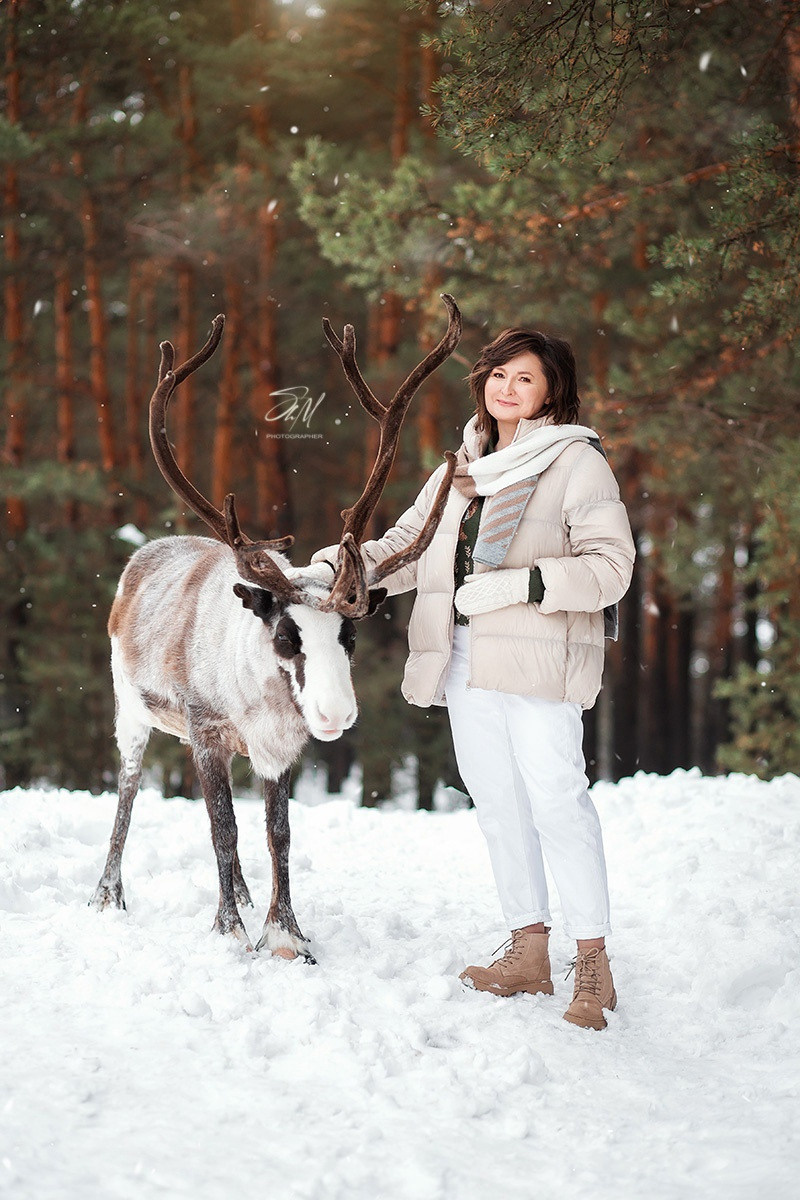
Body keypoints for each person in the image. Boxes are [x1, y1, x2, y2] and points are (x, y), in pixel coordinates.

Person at [306, 327, 635, 1031]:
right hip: (462, 655)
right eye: (498, 375)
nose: (506, 388)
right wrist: (338, 570)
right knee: (498, 801)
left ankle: (594, 965)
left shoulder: (577, 463)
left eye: (525, 379)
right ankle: (527, 948)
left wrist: (526, 584)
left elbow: (613, 568)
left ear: (551, 392)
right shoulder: (465, 462)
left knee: (556, 803)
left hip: (539, 658)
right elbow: (408, 544)